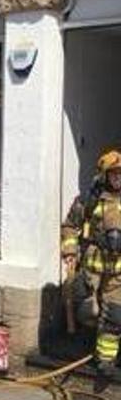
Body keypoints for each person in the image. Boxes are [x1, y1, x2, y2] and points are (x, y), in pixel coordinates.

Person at [61, 149, 121, 380]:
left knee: (115, 315)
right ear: (104, 175)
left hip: (117, 272)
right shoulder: (89, 200)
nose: (118, 178)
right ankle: (91, 338)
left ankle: (105, 361)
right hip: (92, 269)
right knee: (89, 311)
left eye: (120, 174)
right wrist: (69, 249)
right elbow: (70, 226)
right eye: (113, 174)